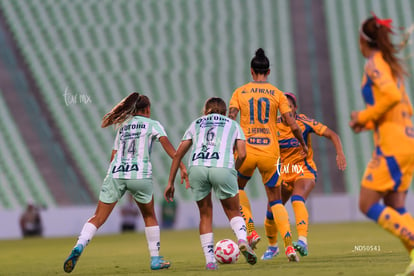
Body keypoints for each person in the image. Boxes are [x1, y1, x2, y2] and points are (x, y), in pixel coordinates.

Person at [63, 92, 188, 273]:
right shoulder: (153, 125)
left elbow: (113, 156)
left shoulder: (122, 126)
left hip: (116, 173)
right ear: (146, 110)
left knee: (98, 217)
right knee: (149, 216)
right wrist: (182, 168)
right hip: (140, 174)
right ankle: (155, 259)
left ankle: (79, 245)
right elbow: (171, 150)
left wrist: (115, 177)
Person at [349, 13, 414, 276]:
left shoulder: (375, 63)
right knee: (395, 205)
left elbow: (390, 95)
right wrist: (365, 123)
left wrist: (364, 116)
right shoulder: (388, 65)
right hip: (406, 139)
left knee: (366, 203)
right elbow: (400, 104)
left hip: (393, 145)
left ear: (363, 41)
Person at [228, 48, 308, 262]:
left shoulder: (240, 92)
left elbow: (231, 117)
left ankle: (251, 231)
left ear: (252, 71)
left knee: (237, 188)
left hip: (246, 150)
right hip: (270, 152)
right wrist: (303, 144)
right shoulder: (277, 94)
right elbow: (292, 123)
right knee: (276, 200)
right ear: (268, 71)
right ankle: (289, 247)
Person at [164, 97, 257, 270]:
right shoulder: (233, 125)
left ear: (205, 110)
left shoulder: (196, 123)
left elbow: (178, 154)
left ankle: (210, 261)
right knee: (233, 211)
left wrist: (170, 182)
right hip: (222, 166)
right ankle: (243, 240)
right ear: (224, 112)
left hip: (197, 167)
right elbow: (243, 155)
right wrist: (233, 169)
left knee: (205, 215)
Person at [261, 92, 347, 260]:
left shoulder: (304, 122)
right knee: (271, 210)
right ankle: (272, 247)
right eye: (284, 107)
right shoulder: (272, 126)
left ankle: (302, 241)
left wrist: (340, 153)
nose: (287, 110)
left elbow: (332, 134)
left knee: (297, 198)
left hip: (303, 170)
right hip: (284, 173)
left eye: (290, 107)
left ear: (295, 108)